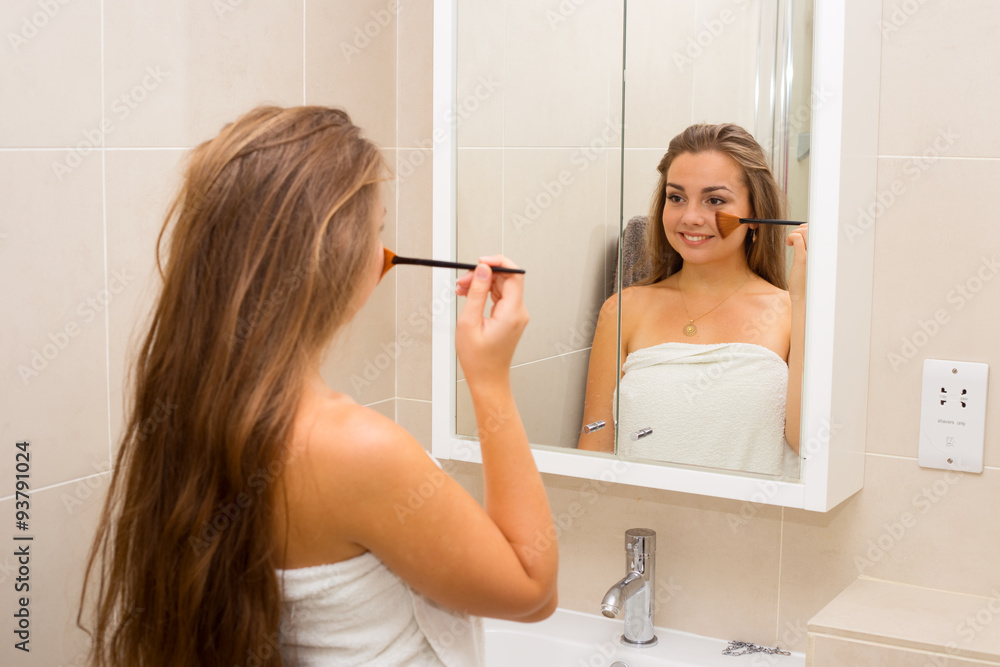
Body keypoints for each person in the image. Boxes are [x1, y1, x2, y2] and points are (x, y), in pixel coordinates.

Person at [78, 106, 557, 667]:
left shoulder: (193, 409)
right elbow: (532, 589)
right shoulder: (355, 448)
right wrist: (490, 379)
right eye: (377, 233)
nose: (383, 255)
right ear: (331, 253)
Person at [578, 123, 807, 476]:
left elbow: (807, 444)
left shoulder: (791, 312)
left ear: (756, 217)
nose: (691, 217)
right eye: (676, 197)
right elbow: (594, 444)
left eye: (715, 200)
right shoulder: (624, 310)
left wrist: (806, 297)